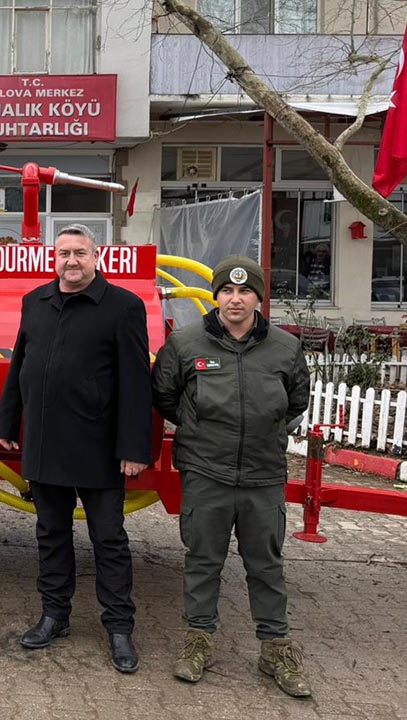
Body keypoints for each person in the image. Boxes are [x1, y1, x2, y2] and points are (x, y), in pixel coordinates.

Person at [151, 255, 312, 697]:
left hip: (263, 475)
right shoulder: (186, 344)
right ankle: (198, 640)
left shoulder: (285, 347)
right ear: (215, 295)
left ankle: (275, 648)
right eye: (227, 290)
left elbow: (296, 401)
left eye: (245, 291)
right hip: (206, 472)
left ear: (259, 297)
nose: (235, 299)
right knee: (203, 560)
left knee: (266, 564)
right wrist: (201, 430)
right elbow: (164, 396)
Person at [0, 225, 152, 673]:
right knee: (51, 534)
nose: (71, 261)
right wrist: (8, 420)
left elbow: (136, 385)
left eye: (80, 253)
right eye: (64, 253)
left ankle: (119, 629)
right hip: (45, 443)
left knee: (109, 539)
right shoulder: (35, 302)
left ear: (97, 257)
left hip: (100, 448)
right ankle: (54, 616)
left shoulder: (123, 308)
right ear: (54, 258)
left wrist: (134, 447)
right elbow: (20, 364)